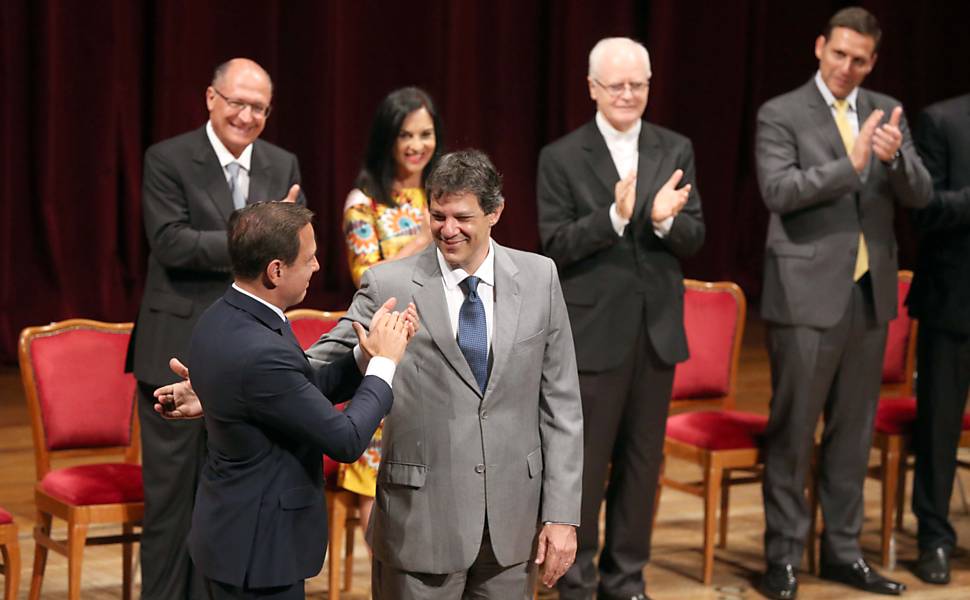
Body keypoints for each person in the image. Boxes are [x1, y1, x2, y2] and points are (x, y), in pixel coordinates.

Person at [155, 150, 584, 599]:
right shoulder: (388, 283)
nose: (447, 229)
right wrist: (222, 391)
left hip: (513, 525)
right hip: (421, 525)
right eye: (438, 216)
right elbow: (312, 365)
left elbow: (562, 403)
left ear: (495, 212)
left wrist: (561, 514)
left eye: (462, 218)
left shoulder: (540, 277)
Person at [754, 7, 931, 598]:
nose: (846, 67)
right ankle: (782, 557)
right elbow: (779, 190)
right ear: (819, 48)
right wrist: (850, 166)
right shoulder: (781, 112)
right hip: (804, 294)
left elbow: (921, 194)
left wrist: (895, 159)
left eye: (859, 59)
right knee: (794, 431)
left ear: (872, 62)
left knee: (853, 434)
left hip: (867, 294)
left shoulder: (886, 110)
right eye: (838, 54)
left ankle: (843, 552)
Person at [125, 57, 304, 599]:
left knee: (230, 507)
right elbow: (172, 243)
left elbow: (293, 252)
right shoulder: (168, 158)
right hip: (175, 355)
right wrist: (257, 235)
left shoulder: (282, 163)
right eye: (237, 103)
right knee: (171, 508)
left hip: (248, 362)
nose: (247, 116)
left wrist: (274, 239)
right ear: (210, 98)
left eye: (259, 108)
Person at [536, 37, 704, 600]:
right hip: (593, 334)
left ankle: (626, 578)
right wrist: (614, 216)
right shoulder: (561, 156)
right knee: (585, 465)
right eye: (617, 85)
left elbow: (695, 236)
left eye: (638, 85)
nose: (628, 94)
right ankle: (576, 580)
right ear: (593, 88)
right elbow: (555, 244)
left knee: (641, 462)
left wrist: (662, 221)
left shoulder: (674, 147)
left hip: (656, 333)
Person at [185, 201, 410, 599]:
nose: (317, 266)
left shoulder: (224, 315)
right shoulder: (260, 349)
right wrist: (385, 364)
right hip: (261, 551)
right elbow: (345, 440)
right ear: (276, 270)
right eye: (309, 259)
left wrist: (364, 357)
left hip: (234, 533)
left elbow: (299, 390)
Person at [338, 86, 442, 541]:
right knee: (380, 475)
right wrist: (422, 240)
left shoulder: (443, 196)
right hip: (388, 348)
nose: (417, 145)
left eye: (426, 134)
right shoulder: (363, 202)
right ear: (388, 138)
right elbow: (366, 275)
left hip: (440, 346)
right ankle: (387, 567)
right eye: (406, 135)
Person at [906, 92, 970, 585]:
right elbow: (923, 208)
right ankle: (934, 540)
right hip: (953, 302)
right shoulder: (942, 120)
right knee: (938, 429)